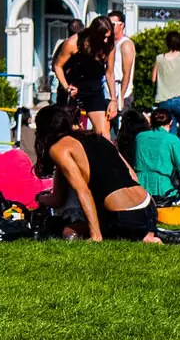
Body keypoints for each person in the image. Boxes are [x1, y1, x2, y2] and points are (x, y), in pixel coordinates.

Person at [36, 103, 157, 242]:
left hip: (124, 216)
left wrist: (95, 235)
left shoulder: (59, 147)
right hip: (149, 208)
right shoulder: (98, 138)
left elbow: (82, 191)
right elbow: (133, 176)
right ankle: (145, 235)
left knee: (69, 232)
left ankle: (136, 235)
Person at [64, 17, 117, 137]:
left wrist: (114, 99)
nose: (105, 40)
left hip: (94, 89)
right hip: (73, 89)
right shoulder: (74, 42)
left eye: (108, 37)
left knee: (104, 135)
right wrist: (66, 86)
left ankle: (102, 154)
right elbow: (57, 66)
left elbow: (109, 72)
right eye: (103, 37)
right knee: (73, 133)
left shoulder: (109, 45)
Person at [133, 109, 180, 202]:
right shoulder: (172, 140)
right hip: (164, 192)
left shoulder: (139, 137)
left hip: (140, 190)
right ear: (171, 122)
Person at [152, 30, 180, 144]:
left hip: (164, 100)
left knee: (170, 130)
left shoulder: (159, 58)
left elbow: (153, 79)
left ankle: (171, 153)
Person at [107, 11, 138, 122]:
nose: (110, 27)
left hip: (121, 94)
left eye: (113, 24)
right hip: (109, 93)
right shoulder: (110, 43)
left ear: (122, 25)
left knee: (120, 130)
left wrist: (121, 97)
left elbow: (127, 73)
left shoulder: (125, 44)